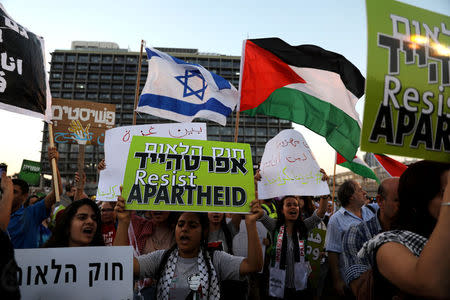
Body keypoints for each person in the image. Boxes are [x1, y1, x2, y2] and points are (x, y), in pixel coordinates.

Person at [114, 196, 264, 300]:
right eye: (180, 224)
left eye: (192, 226)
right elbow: (123, 266)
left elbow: (253, 265)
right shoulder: (161, 258)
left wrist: (250, 223)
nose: (184, 229)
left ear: (204, 231)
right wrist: (123, 222)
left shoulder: (216, 259)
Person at [358, 161, 450, 299]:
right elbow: (429, 283)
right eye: (444, 192)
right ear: (420, 198)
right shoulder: (389, 245)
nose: (446, 198)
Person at [259, 193, 327, 299]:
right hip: (278, 287)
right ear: (282, 210)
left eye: (295, 205)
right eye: (289, 205)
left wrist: (324, 195)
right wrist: (254, 184)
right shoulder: (274, 226)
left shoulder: (304, 226)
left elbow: (320, 214)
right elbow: (259, 213)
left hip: (301, 288)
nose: (293, 207)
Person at [342, 177, 400, 297]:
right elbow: (362, 290)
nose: (365, 193)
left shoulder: (415, 229)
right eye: (397, 200)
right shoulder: (356, 233)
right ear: (380, 201)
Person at [324, 179, 376, 298]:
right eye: (359, 190)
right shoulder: (336, 220)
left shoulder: (371, 212)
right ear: (351, 197)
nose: (364, 192)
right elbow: (332, 251)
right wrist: (337, 280)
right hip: (352, 281)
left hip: (374, 278)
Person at [8, 147, 62, 249]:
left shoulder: (31, 214)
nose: (9, 195)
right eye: (7, 191)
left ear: (25, 196)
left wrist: (53, 164)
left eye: (14, 192)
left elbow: (57, 192)